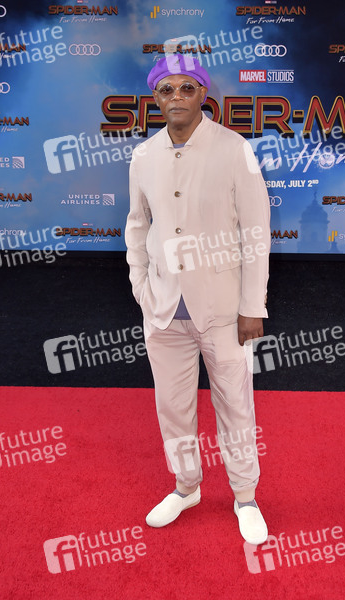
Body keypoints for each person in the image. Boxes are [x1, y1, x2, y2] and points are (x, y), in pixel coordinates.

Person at [125, 53, 270, 545]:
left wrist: (253, 306)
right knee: (173, 408)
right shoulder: (143, 156)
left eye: (187, 88)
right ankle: (186, 487)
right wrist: (141, 287)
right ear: (155, 97)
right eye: (167, 89)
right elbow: (137, 225)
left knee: (236, 406)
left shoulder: (234, 148)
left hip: (225, 311)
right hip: (164, 310)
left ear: (203, 94)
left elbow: (256, 231)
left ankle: (245, 497)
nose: (177, 97)